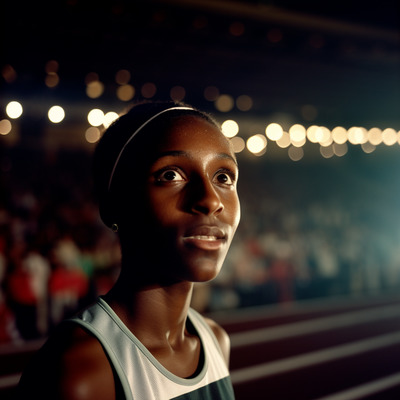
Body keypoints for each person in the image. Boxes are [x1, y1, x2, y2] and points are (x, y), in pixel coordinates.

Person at [17, 101, 241, 399]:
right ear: (114, 206)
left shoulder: (215, 340)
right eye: (170, 175)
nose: (211, 200)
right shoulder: (77, 372)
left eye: (223, 177)